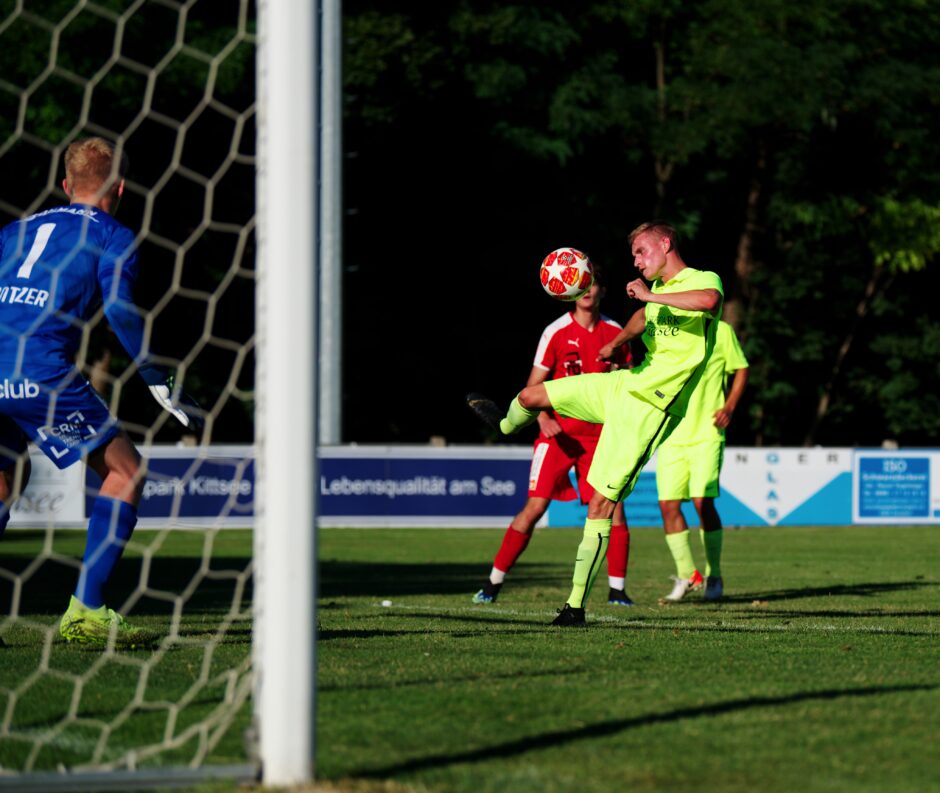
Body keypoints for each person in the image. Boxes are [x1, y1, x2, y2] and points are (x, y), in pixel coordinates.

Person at [0, 136, 201, 648]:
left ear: (66, 186)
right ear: (121, 188)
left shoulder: (13, 230)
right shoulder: (113, 234)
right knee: (126, 471)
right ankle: (86, 609)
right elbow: (118, 309)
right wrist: (156, 377)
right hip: (39, 369)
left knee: (3, 483)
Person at [470, 221, 722, 626]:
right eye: (634, 257)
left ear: (665, 242)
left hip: (651, 410)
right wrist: (617, 342)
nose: (637, 263)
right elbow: (644, 315)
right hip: (625, 384)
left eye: (641, 252)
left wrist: (651, 293)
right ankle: (502, 426)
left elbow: (709, 301)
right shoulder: (653, 296)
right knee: (532, 395)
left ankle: (575, 606)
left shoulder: (701, 280)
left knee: (603, 506)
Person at [469, 268, 635, 607]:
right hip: (558, 436)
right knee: (534, 508)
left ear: (602, 290)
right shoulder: (555, 332)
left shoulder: (616, 332)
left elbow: (628, 381)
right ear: (570, 292)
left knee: (614, 510)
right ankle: (493, 582)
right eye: (582, 286)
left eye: (594, 284)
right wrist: (543, 418)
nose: (588, 291)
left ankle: (617, 591)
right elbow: (533, 388)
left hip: (599, 437)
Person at [653, 319, 748, 602]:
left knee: (701, 502)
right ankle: (687, 575)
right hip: (671, 435)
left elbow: (741, 369)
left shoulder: (722, 331)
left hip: (707, 432)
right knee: (667, 506)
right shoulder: (669, 329)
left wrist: (729, 406)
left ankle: (714, 574)